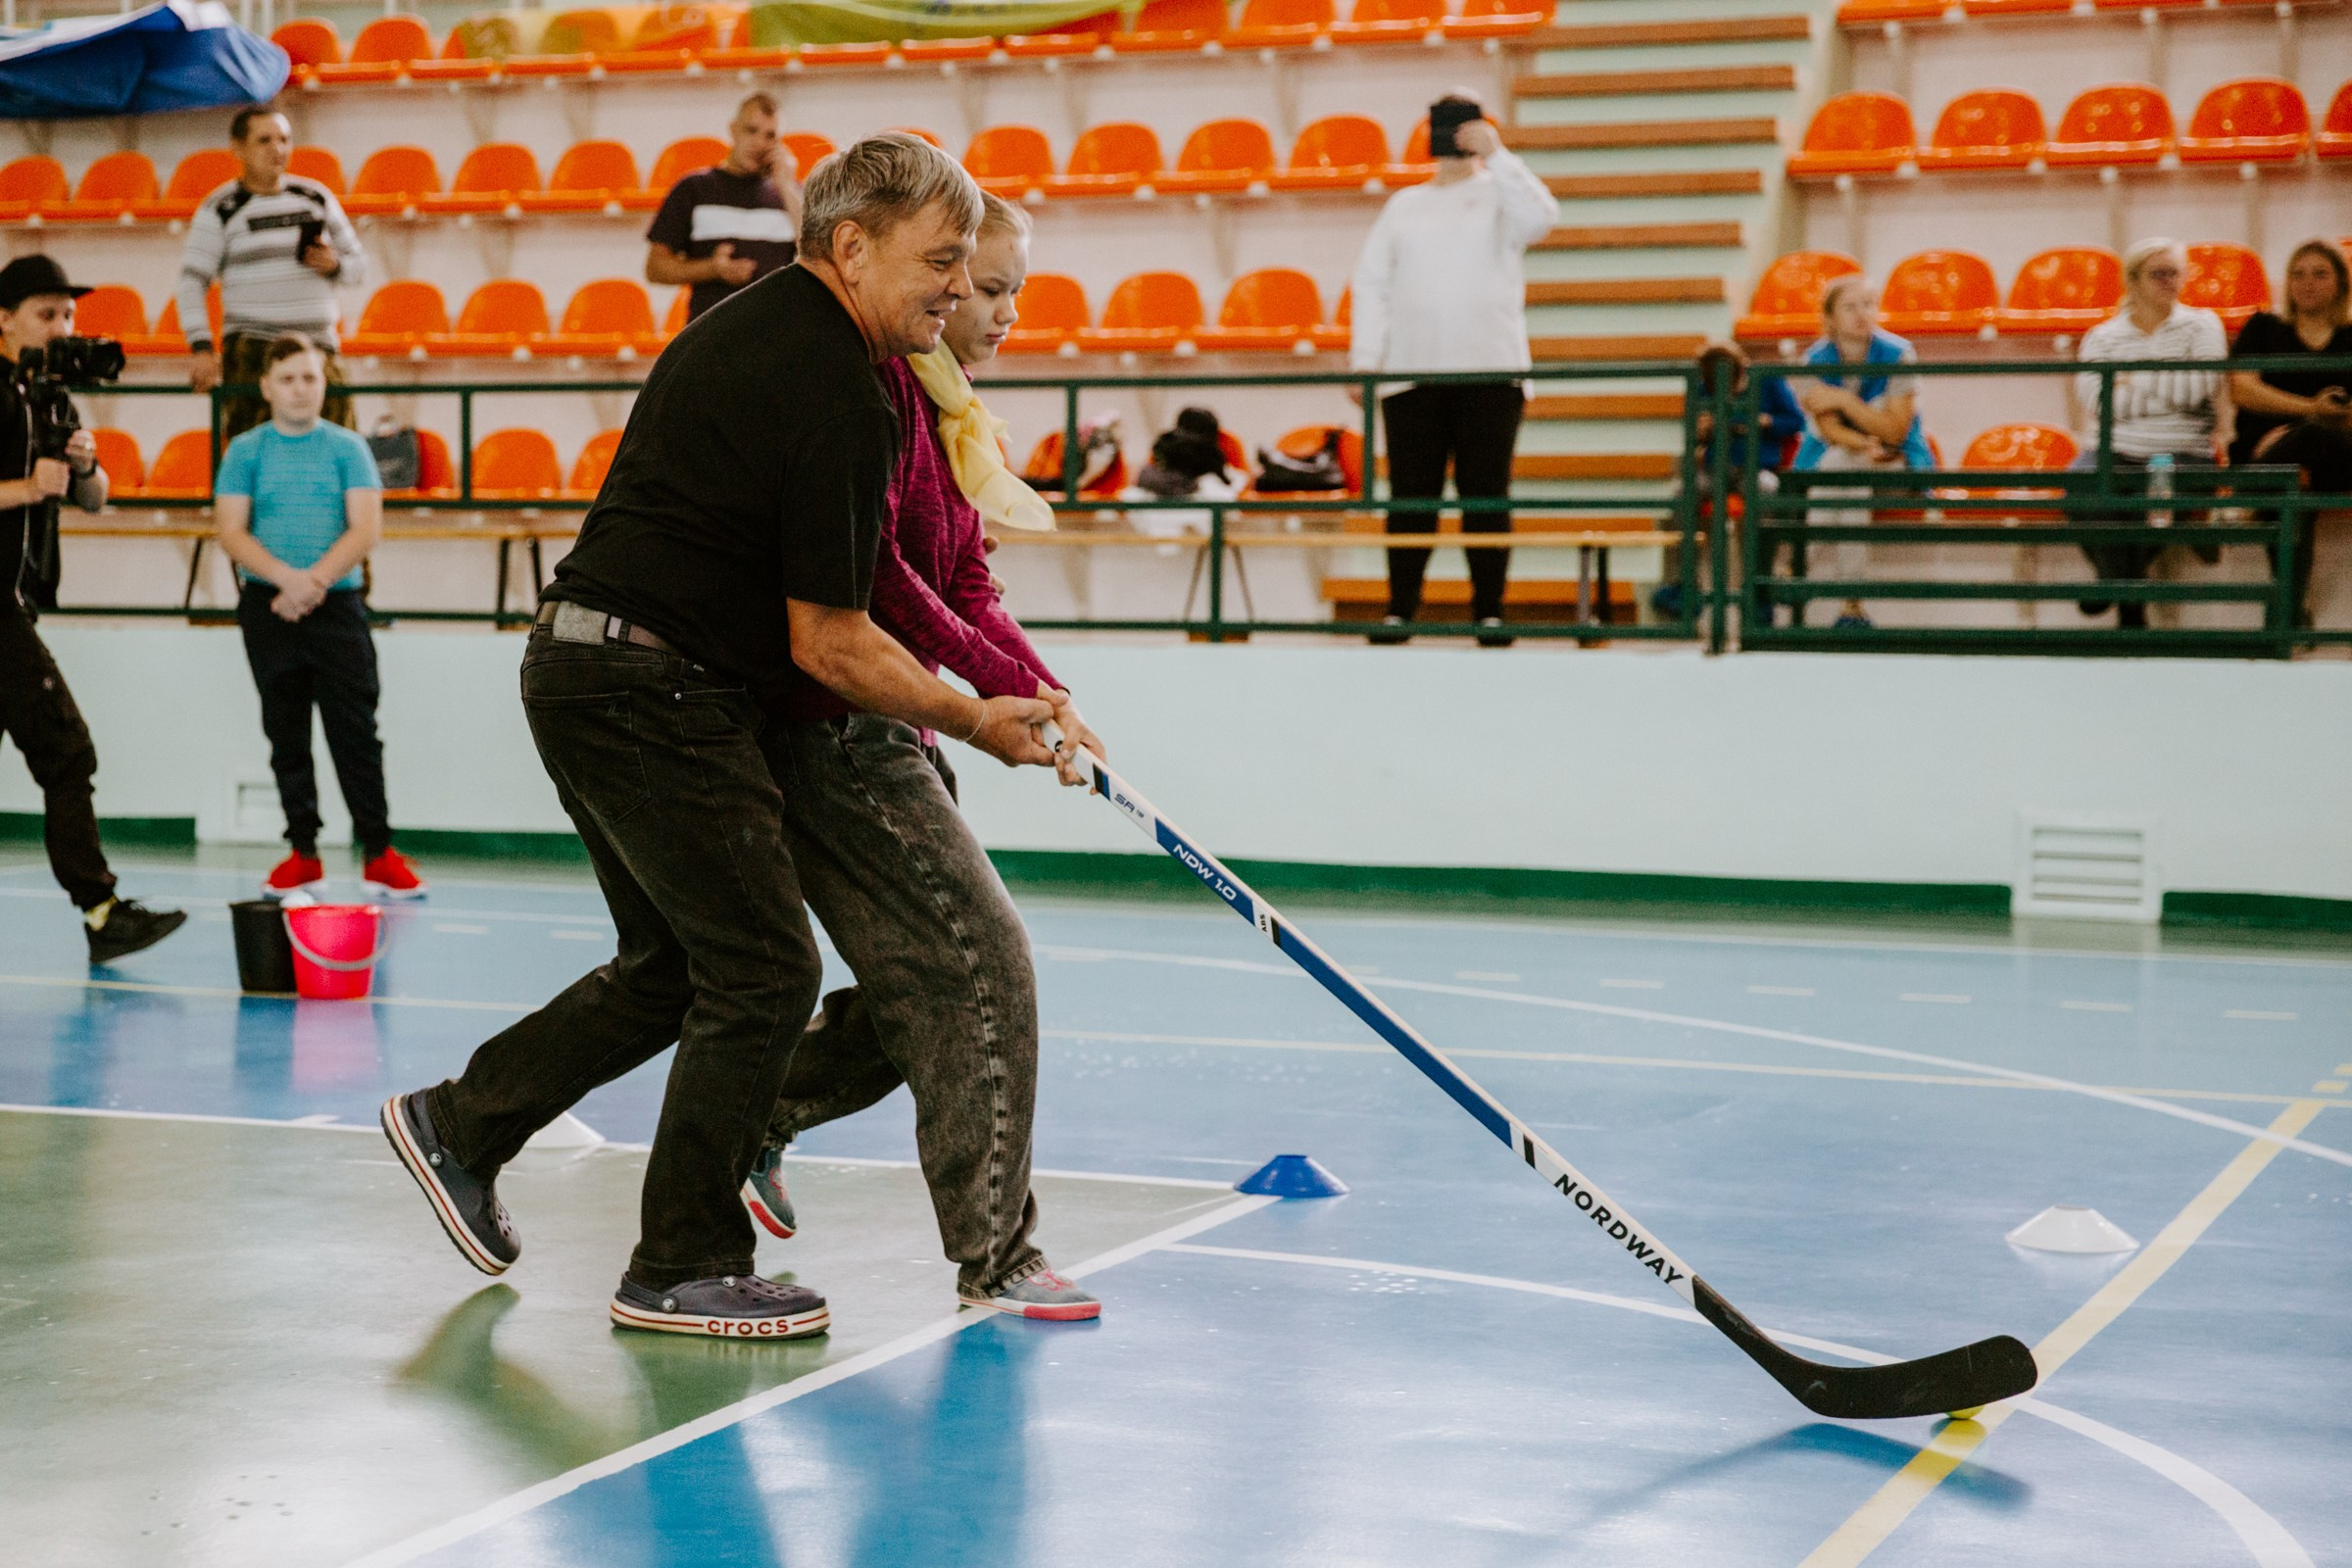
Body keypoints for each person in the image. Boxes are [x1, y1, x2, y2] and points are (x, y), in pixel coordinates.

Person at [380, 135, 1075, 1342]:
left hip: (590, 669)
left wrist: (1007, 693)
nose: (961, 288)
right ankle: (681, 1262)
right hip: (653, 689)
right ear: (852, 246)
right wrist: (977, 716)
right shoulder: (836, 383)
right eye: (944, 261)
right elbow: (832, 640)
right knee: (763, 970)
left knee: (674, 966)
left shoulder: (786, 335)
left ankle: (463, 1123)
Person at [748, 191, 1106, 1322]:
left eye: (1009, 290)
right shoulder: (880, 393)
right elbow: (883, 585)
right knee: (980, 965)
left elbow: (964, 582)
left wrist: (1044, 690)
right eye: (981, 285)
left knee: (926, 987)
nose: (995, 308)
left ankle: (755, 1109)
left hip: (896, 721)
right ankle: (998, 1254)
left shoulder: (954, 409)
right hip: (834, 722)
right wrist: (986, 690)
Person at [0, 255, 184, 964]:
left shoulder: (53, 399)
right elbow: (27, 492)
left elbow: (95, 498)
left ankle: (102, 913)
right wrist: (25, 488)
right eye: (46, 313)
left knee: (62, 752)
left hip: (21, 601)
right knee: (67, 749)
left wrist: (82, 466)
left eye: (69, 314)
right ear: (6, 319)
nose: (62, 325)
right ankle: (101, 911)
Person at [213, 333, 424, 900]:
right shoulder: (245, 452)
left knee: (356, 732)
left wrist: (312, 584)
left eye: (309, 377)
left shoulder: (348, 448)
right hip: (269, 607)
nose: (300, 389)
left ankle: (378, 852)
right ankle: (303, 853)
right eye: (287, 379)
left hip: (337, 608)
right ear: (266, 387)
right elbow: (231, 531)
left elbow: (366, 529)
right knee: (285, 731)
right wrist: (287, 581)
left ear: (323, 384)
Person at [1349, 91, 1555, 647]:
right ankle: (1399, 610)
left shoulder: (1500, 195)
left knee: (1485, 496)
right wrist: (1366, 359)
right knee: (1410, 498)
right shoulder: (1404, 206)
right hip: (1411, 375)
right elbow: (1372, 284)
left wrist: (1498, 156)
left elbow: (1541, 219)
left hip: (1491, 373)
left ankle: (1490, 612)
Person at [177, 107, 368, 444]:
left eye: (284, 139)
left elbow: (359, 267)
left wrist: (334, 265)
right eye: (264, 140)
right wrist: (202, 348)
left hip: (319, 347)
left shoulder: (315, 197)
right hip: (252, 350)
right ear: (238, 148)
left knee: (339, 449)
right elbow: (192, 281)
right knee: (254, 454)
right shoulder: (220, 208)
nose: (277, 149)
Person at [2070, 238, 2230, 629]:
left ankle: (2117, 591)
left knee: (2155, 498)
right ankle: (2123, 590)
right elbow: (2098, 400)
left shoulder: (2203, 324)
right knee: (2081, 484)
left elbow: (2197, 387)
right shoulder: (2102, 336)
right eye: (2158, 273)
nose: (2168, 281)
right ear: (2133, 280)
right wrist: (2166, 382)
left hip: (2181, 450)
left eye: (2175, 273)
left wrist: (2130, 378)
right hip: (2115, 448)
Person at [1789, 275, 1936, 629]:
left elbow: (1895, 430)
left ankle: (1797, 573)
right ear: (1830, 318)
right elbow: (1830, 430)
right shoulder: (1814, 360)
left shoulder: (1900, 354)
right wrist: (1864, 440)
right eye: (1850, 307)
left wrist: (1842, 400)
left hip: (1895, 464)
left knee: (1845, 467)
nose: (1862, 313)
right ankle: (1851, 605)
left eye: (1868, 304)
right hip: (1844, 461)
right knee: (1849, 466)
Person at [2227, 239, 2352, 626]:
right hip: (2271, 455)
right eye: (2298, 274)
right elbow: (2241, 389)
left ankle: (2246, 494)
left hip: (2336, 451)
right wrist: (2310, 408)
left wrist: (2331, 417)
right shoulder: (2263, 327)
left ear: (2341, 283)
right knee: (2289, 485)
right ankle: (2290, 612)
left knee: (2310, 440)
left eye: (2320, 274)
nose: (2307, 283)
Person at [645, 91, 804, 322]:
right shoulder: (694, 188)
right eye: (751, 130)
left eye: (770, 136)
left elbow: (818, 253)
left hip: (776, 332)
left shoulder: (791, 195)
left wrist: (787, 187)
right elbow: (655, 268)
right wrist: (712, 268)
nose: (759, 143)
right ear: (733, 129)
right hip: (710, 332)